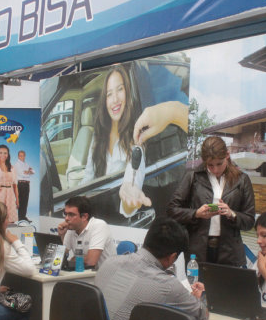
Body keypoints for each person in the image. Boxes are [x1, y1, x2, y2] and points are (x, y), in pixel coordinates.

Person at [79, 64, 189, 216]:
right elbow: (88, 179)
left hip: (115, 216)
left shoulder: (137, 133)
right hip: (95, 211)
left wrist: (129, 194)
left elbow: (135, 172)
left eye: (120, 89)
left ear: (128, 92)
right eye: (109, 94)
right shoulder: (98, 136)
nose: (115, 99)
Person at [95, 217, 208, 320]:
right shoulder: (168, 286)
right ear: (172, 257)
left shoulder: (108, 263)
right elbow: (202, 315)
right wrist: (198, 298)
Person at [167, 136, 255, 267]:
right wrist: (196, 213)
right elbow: (171, 210)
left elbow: (249, 221)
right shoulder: (193, 176)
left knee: (225, 287)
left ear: (227, 155)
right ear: (204, 161)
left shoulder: (242, 179)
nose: (215, 170)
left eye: (219, 164)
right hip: (197, 250)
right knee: (197, 287)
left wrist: (232, 214)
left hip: (230, 252)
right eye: (210, 165)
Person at [57, 196, 116, 268]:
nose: (66, 218)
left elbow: (91, 262)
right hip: (82, 273)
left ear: (84, 217)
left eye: (71, 215)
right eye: (65, 214)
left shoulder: (99, 225)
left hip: (102, 276)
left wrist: (74, 258)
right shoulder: (72, 227)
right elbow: (60, 255)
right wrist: (62, 235)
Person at [14, 150, 34, 222]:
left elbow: (33, 171)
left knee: (26, 201)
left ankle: (23, 217)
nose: (22, 157)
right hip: (21, 184)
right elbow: (22, 174)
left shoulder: (26, 164)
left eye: (23, 155)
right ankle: (20, 218)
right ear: (18, 156)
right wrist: (29, 172)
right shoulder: (17, 164)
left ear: (25, 156)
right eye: (20, 156)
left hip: (26, 184)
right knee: (21, 201)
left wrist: (27, 171)